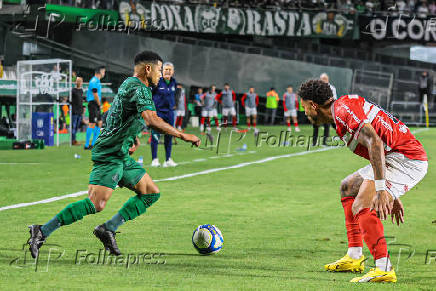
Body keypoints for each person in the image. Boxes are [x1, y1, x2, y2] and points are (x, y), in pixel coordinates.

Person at [27, 50, 201, 258]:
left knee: (151, 193)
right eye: (159, 70)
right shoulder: (140, 88)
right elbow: (152, 120)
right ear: (148, 68)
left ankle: (108, 229)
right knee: (95, 204)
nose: (161, 74)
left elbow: (115, 113)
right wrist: (183, 135)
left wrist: (133, 138)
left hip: (120, 153)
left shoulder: (129, 84)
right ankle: (41, 231)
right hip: (110, 153)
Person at [298, 79, 428, 283]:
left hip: (405, 159)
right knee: (347, 187)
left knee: (361, 204)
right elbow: (376, 147)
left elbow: (375, 142)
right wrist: (391, 190)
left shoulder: (342, 112)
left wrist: (382, 188)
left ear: (313, 105)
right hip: (394, 157)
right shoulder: (342, 108)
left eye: (304, 107)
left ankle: (383, 268)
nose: (304, 112)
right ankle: (354, 256)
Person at [150, 62, 177, 168]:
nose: (168, 71)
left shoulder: (174, 82)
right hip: (158, 113)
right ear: (162, 71)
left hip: (170, 113)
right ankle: (154, 159)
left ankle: (168, 159)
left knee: (169, 136)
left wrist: (174, 104)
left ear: (173, 72)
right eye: (166, 69)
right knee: (155, 136)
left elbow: (175, 95)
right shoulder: (157, 82)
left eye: (170, 70)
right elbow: (149, 95)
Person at [312, 73, 337, 146]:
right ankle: (314, 142)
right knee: (316, 126)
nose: (323, 80)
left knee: (327, 126)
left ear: (327, 79)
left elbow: (334, 99)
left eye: (324, 79)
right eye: (322, 79)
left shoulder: (332, 88)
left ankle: (324, 142)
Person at [85, 66, 105, 150]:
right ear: (99, 72)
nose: (104, 73)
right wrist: (99, 104)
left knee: (99, 122)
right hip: (93, 103)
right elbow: (95, 94)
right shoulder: (93, 81)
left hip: (96, 104)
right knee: (92, 123)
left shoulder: (97, 81)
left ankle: (93, 143)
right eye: (104, 72)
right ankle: (86, 145)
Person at [72, 77, 84, 145]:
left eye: (80, 81)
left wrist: (83, 109)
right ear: (75, 82)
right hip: (74, 111)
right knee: (73, 126)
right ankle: (73, 140)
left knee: (76, 127)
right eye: (77, 81)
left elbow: (81, 101)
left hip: (80, 111)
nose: (79, 82)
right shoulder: (73, 90)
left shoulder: (81, 90)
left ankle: (74, 140)